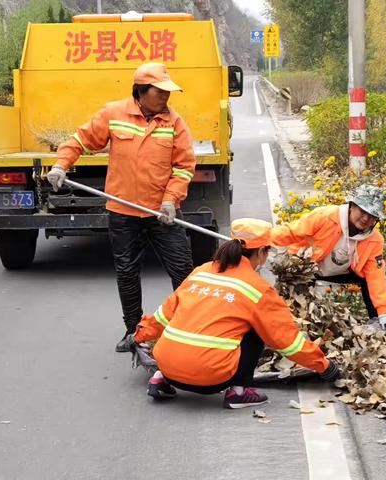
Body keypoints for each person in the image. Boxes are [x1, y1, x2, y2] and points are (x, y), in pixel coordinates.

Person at [46, 63, 195, 351]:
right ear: (141, 90)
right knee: (127, 272)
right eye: (159, 91)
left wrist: (170, 200)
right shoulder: (114, 114)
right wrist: (61, 165)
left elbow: (184, 167)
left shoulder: (174, 122)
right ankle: (134, 330)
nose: (166, 97)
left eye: (168, 91)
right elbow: (80, 140)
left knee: (183, 271)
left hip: (161, 213)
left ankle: (186, 328)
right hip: (123, 212)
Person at [121, 218, 341, 409]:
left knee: (190, 316)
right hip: (212, 379)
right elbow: (287, 342)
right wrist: (324, 366)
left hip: (167, 366)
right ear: (262, 253)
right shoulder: (258, 289)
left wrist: (138, 336)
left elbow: (162, 316)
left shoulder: (201, 272)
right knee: (257, 329)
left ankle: (161, 380)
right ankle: (238, 392)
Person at [271, 184, 386, 332]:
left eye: (372, 215)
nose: (366, 218)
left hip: (342, 272)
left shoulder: (374, 239)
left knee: (367, 277)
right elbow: (291, 232)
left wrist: (384, 312)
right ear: (351, 206)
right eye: (362, 211)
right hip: (308, 267)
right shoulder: (324, 217)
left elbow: (376, 276)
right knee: (294, 298)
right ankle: (286, 321)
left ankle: (376, 321)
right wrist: (262, 241)